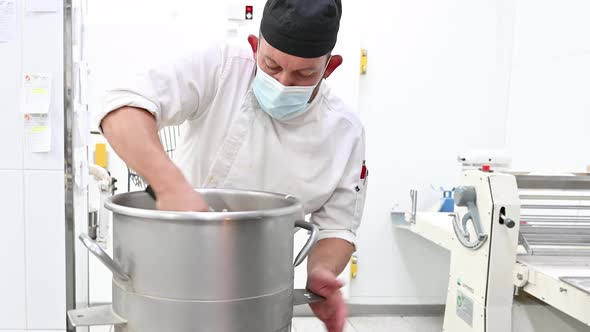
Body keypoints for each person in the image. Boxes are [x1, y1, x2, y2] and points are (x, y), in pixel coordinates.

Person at [97, 0, 367, 331]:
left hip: (260, 295)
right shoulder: (222, 66)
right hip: (170, 272)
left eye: (304, 74)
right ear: (255, 47)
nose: (283, 83)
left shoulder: (345, 131)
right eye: (271, 66)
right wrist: (171, 186)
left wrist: (321, 272)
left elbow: (336, 227)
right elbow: (123, 107)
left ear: (330, 68)